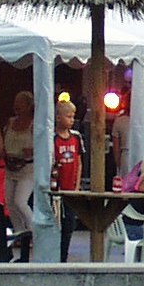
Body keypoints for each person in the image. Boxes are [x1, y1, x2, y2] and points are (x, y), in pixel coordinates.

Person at [52, 98, 85, 260]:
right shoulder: (53, 138)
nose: (72, 120)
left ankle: (63, 256)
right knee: (56, 224)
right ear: (58, 117)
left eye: (73, 117)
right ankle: (54, 254)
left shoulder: (76, 137)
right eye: (68, 117)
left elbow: (79, 162)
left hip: (71, 188)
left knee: (69, 224)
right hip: (57, 189)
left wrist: (77, 185)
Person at [2, 91, 38, 239]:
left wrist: (32, 151)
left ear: (29, 105)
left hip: (27, 168)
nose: (17, 106)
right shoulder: (10, 122)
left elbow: (42, 146)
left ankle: (34, 231)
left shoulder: (34, 124)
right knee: (9, 202)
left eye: (21, 102)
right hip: (11, 165)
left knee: (20, 201)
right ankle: (19, 232)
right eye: (16, 102)